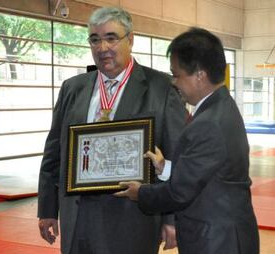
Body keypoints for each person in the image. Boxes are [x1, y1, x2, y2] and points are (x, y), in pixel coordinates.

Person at [37, 6, 186, 254]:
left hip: (133, 216)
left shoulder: (161, 88)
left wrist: (171, 218)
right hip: (78, 215)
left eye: (111, 38)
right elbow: (54, 152)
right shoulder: (73, 88)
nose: (102, 48)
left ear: (130, 39)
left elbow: (177, 156)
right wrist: (48, 209)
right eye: (95, 40)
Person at [114, 27, 260, 254]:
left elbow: (179, 192)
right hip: (224, 234)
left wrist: (140, 193)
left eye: (177, 74)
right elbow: (206, 173)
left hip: (217, 241)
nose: (174, 82)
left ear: (199, 76)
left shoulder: (209, 122)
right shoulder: (221, 106)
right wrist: (165, 167)